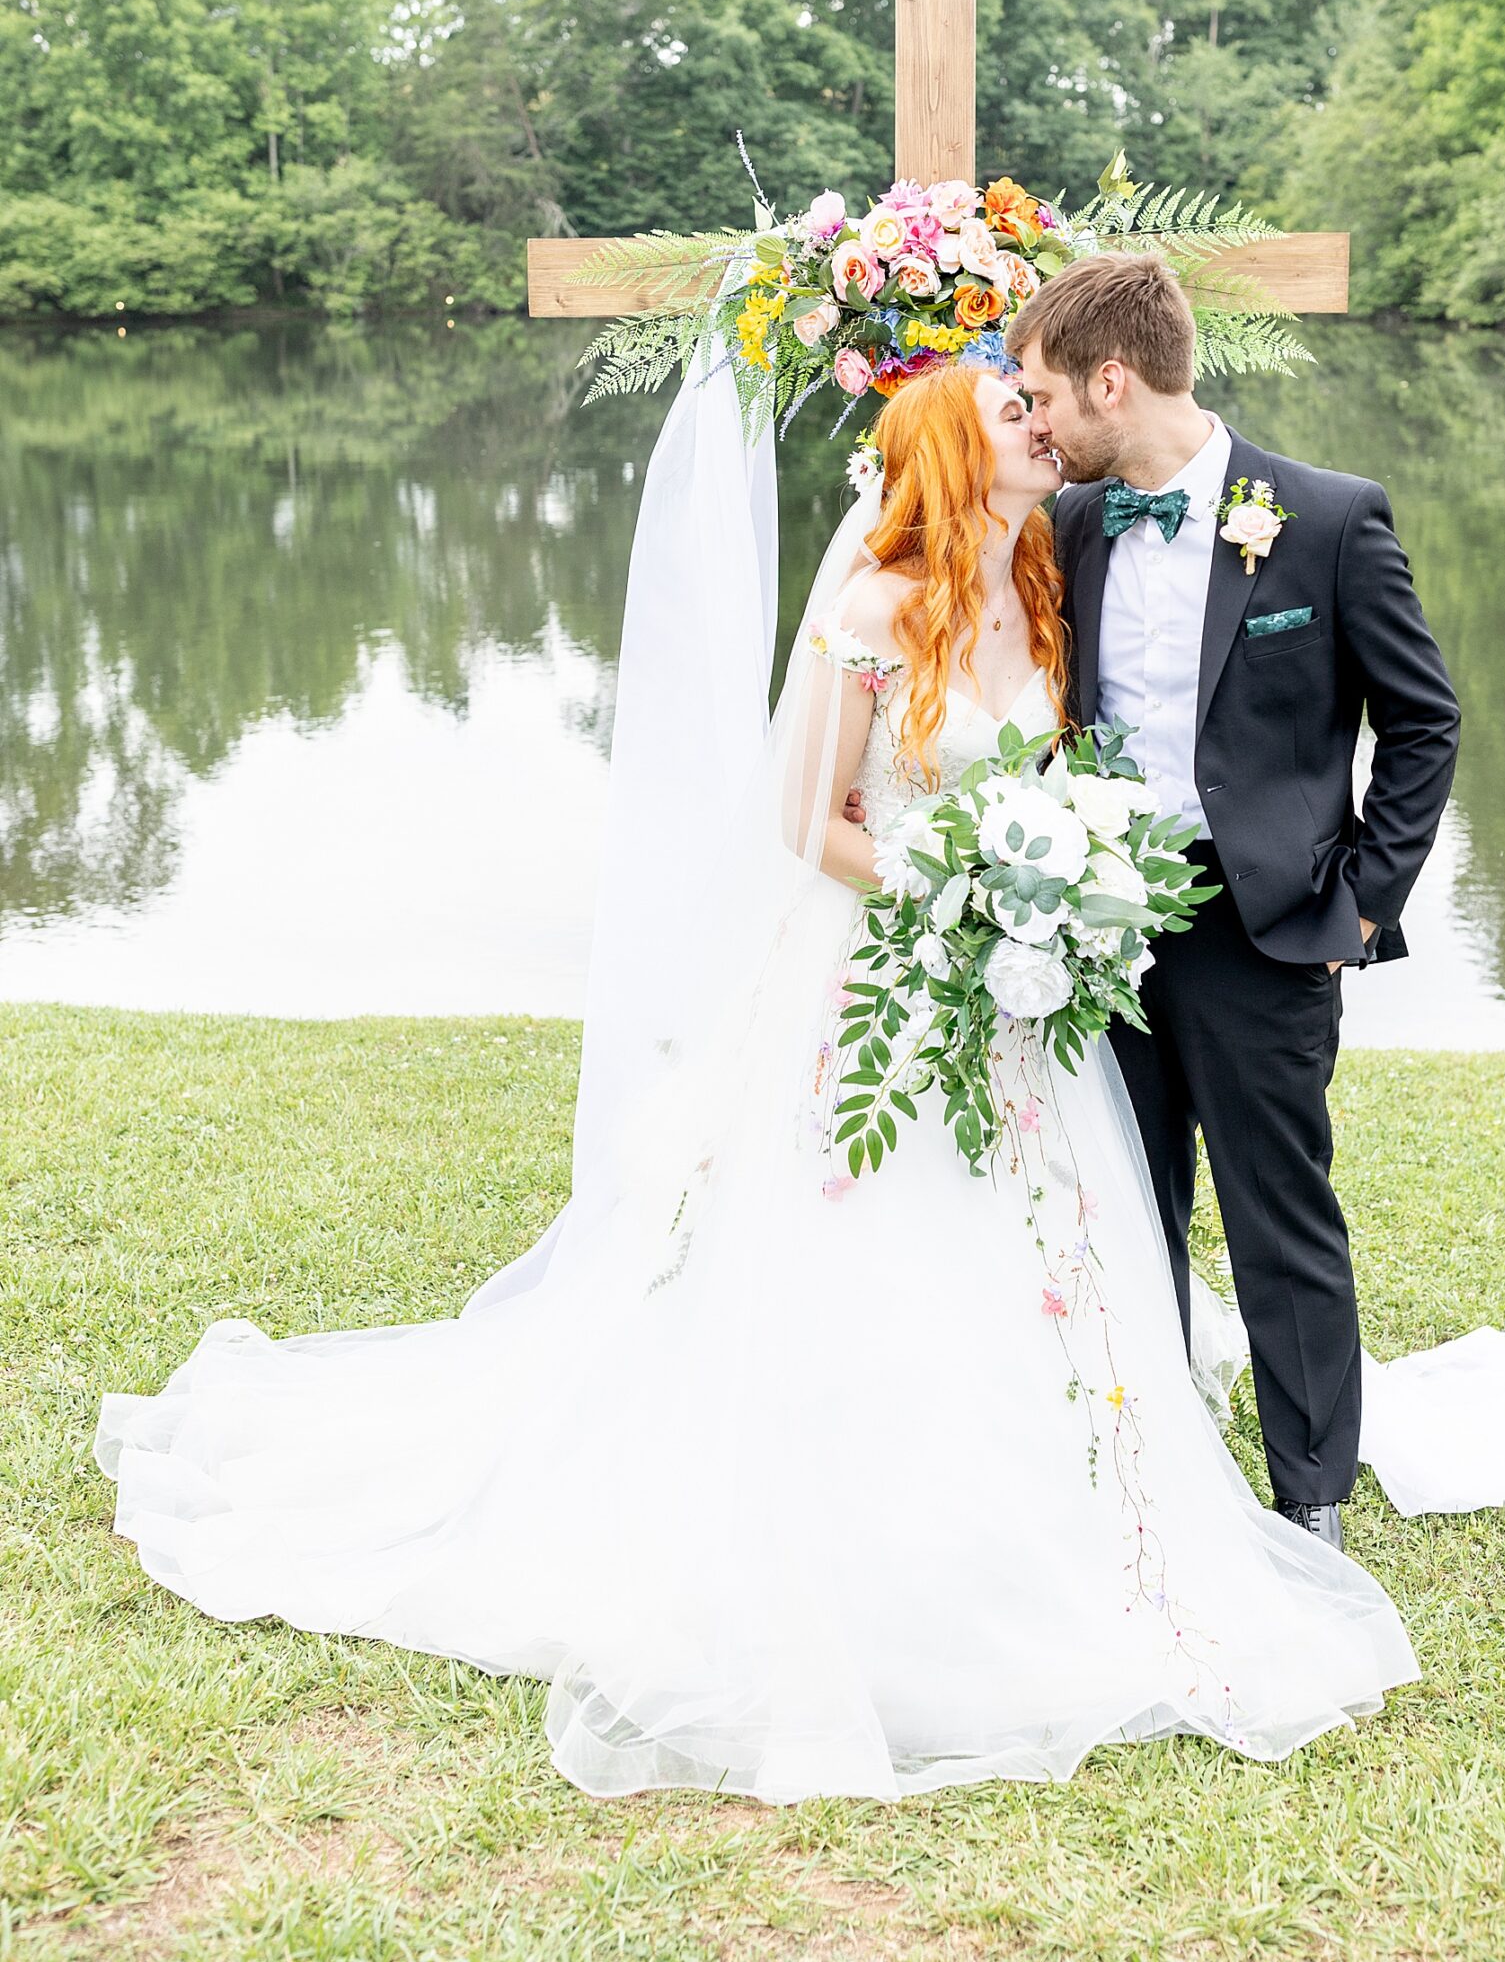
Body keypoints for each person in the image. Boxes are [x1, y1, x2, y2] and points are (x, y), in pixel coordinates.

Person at [97, 360, 1428, 1801]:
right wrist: (957, 888)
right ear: (944, 455)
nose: (1042, 432)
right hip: (891, 965)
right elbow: (810, 814)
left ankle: (1113, 1495)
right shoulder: (871, 612)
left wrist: (1053, 886)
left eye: (1043, 410)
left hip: (1030, 985)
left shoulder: (1056, 573)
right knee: (877, 1229)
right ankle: (863, 1510)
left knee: (1067, 1230)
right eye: (1011, 419)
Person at [1010, 253, 1461, 1552]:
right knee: (1122, 1199)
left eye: (1046, 396)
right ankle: (1142, 1461)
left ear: (1114, 380)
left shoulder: (1324, 517)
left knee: (1280, 1210)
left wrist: (1365, 905)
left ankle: (1309, 1499)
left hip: (1260, 927)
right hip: (1093, 923)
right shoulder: (1070, 525)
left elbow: (1420, 720)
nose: (1036, 424)